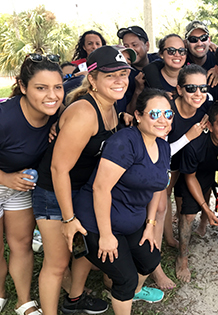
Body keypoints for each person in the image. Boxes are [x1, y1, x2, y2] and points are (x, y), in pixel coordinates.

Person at [33, 46, 131, 314]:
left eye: (123, 74)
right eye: (111, 75)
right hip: (54, 193)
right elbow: (58, 169)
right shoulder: (85, 113)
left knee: (84, 249)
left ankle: (74, 299)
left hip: (82, 191)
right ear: (93, 79)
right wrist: (68, 218)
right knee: (57, 263)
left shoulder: (113, 104)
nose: (120, 81)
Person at [73, 88, 172, 315]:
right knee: (126, 278)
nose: (163, 119)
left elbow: (159, 187)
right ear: (138, 115)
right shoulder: (124, 142)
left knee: (150, 259)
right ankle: (123, 290)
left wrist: (150, 225)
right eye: (155, 113)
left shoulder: (163, 146)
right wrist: (106, 236)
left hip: (132, 222)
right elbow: (100, 188)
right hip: (97, 224)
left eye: (168, 114)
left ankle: (123, 292)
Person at [0, 53, 63, 315]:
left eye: (57, 87)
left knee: (21, 243)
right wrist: (5, 178)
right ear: (23, 87)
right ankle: (0, 291)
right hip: (5, 178)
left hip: (22, 185)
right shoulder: (4, 117)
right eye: (41, 88)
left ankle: (23, 300)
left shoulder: (60, 112)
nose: (52, 95)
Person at [154, 64, 211, 289]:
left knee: (174, 203)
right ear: (179, 89)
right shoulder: (168, 112)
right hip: (163, 165)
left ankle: (170, 238)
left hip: (185, 165)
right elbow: (160, 152)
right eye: (191, 88)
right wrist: (189, 136)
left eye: (202, 88)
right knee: (160, 207)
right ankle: (157, 254)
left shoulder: (205, 107)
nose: (198, 93)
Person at [177, 100, 218, 282]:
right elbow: (190, 177)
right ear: (210, 125)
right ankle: (182, 256)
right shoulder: (195, 145)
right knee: (188, 215)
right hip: (198, 173)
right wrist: (206, 208)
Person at [117, 25, 160, 114]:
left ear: (147, 46)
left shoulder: (159, 62)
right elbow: (128, 113)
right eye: (126, 46)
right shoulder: (123, 74)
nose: (131, 49)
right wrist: (138, 89)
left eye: (134, 45)